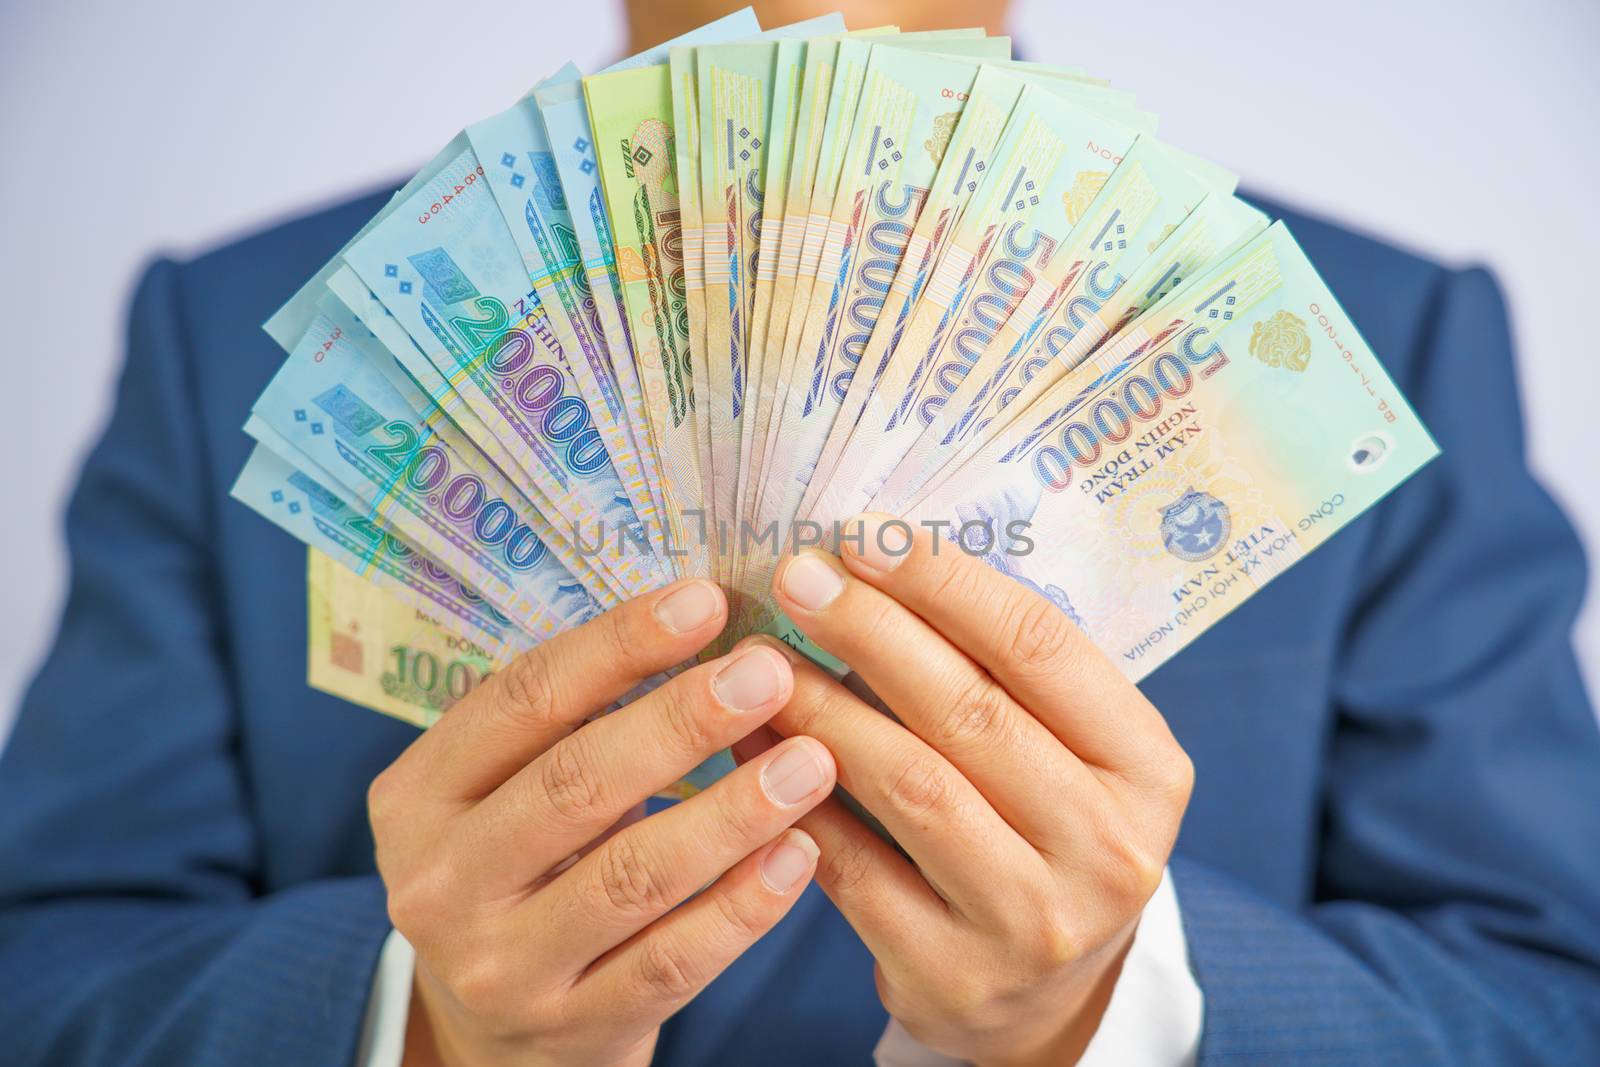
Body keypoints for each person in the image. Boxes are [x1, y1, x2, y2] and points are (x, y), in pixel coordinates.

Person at [2, 1, 1599, 1064]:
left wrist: (1107, 1011)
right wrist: (416, 1021)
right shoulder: (257, 343)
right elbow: (44, 972)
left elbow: (1549, 1001)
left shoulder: (1361, 345)